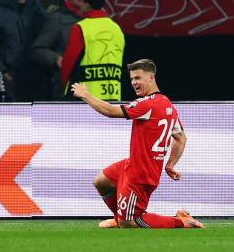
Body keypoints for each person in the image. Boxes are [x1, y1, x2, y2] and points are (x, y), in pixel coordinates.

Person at [71, 59, 205, 229]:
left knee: (130, 222)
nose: (134, 82)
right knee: (101, 182)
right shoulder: (166, 104)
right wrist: (170, 165)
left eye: (138, 78)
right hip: (132, 164)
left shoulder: (146, 104)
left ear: (151, 78)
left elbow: (111, 111)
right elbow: (180, 138)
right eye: (132, 79)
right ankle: (119, 216)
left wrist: (86, 95)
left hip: (141, 173)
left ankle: (182, 221)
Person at [61, 0, 125, 101]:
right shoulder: (116, 28)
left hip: (84, 97)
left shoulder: (81, 27)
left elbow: (69, 62)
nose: (79, 4)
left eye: (81, 1)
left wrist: (64, 87)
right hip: (112, 96)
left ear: (87, 4)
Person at [31, 0, 87, 100]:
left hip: (93, 84)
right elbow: (37, 50)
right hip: (67, 87)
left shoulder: (95, 19)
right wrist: (57, 59)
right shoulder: (57, 19)